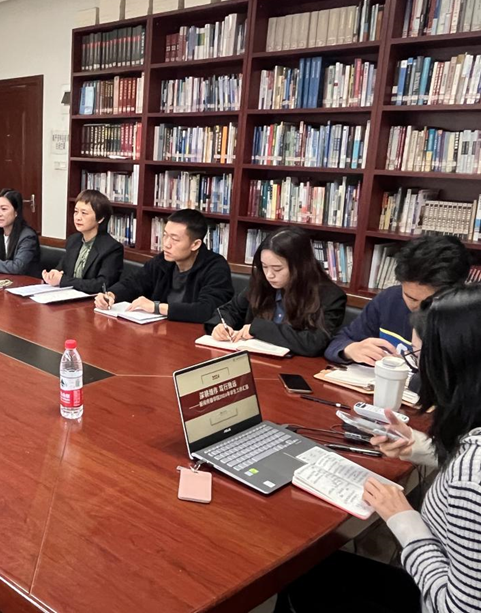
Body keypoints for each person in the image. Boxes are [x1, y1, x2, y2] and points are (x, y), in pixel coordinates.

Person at [274, 285, 481, 613]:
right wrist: (419, 447)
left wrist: (403, 519)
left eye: (416, 358)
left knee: (300, 578)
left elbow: (457, 608)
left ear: (450, 367)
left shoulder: (470, 481)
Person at [325, 235, 469, 366]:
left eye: (430, 302)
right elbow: (339, 341)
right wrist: (351, 349)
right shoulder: (389, 299)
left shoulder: (469, 322)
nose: (419, 308)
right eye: (411, 298)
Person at [204, 227, 346, 356]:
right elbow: (229, 310)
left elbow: (315, 342)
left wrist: (259, 328)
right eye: (265, 267)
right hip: (255, 360)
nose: (269, 275)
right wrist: (221, 326)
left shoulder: (330, 296)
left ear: (300, 266)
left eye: (277, 269)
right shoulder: (261, 283)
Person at [94, 209, 233, 322]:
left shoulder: (216, 267)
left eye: (175, 239)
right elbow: (134, 282)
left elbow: (207, 310)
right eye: (165, 235)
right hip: (162, 330)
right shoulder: (163, 260)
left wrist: (156, 307)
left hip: (193, 335)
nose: (166, 244)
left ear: (195, 244)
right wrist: (111, 295)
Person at [42, 190, 123, 293]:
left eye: (84, 213)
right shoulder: (73, 240)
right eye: (76, 212)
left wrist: (63, 280)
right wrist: (53, 274)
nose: (78, 217)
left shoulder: (111, 248)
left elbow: (102, 285)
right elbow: (62, 269)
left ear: (100, 219)